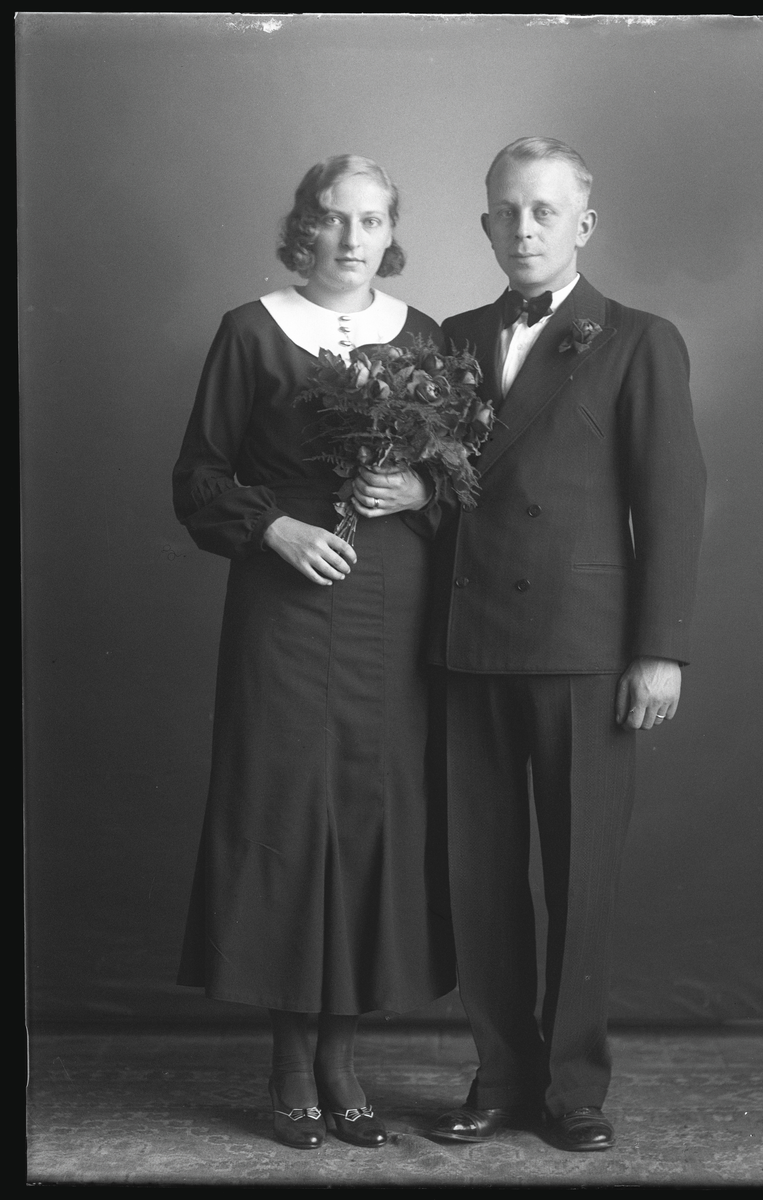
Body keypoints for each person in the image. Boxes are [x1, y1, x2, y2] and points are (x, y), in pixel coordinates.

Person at [428, 138, 706, 1152]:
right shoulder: (453, 337)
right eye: (506, 211)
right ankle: (499, 1075)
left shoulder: (638, 338)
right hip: (468, 644)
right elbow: (442, 492)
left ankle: (573, 1088)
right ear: (484, 224)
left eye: (544, 210)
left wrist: (658, 650)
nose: (524, 228)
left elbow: (671, 502)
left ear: (582, 224)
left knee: (581, 882)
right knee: (480, 878)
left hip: (584, 649)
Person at [173, 155, 455, 1151]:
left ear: (390, 233)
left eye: (371, 221)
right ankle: (290, 1059)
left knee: (375, 810)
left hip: (392, 601)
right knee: (285, 808)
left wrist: (419, 488)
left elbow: (460, 473)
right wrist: (273, 528)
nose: (351, 238)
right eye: (334, 219)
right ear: (304, 227)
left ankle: (342, 1055)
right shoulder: (251, 330)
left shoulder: (421, 336)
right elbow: (198, 476)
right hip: (286, 596)